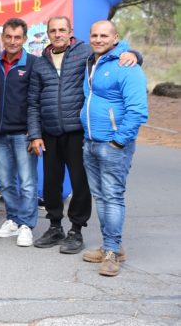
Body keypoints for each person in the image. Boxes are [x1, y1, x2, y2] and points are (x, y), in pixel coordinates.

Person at [27, 16, 140, 254]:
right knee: (51, 182)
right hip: (50, 132)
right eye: (53, 30)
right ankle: (55, 226)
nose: (57, 34)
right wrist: (35, 134)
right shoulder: (40, 62)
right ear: (48, 34)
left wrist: (134, 54)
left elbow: (113, 51)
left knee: (80, 184)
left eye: (62, 30)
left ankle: (76, 230)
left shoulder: (85, 53)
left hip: (78, 131)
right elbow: (33, 102)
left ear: (71, 32)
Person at [80, 20, 147, 277]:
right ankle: (111, 245)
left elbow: (138, 110)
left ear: (115, 38)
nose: (98, 39)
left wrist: (119, 140)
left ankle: (111, 253)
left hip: (113, 145)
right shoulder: (92, 62)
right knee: (101, 197)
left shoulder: (127, 66)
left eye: (104, 35)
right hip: (91, 141)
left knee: (112, 197)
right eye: (94, 35)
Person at [0, 18, 38, 247]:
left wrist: (34, 133)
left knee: (27, 182)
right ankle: (13, 220)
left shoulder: (34, 64)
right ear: (2, 38)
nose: (13, 41)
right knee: (6, 182)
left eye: (17, 37)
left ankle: (26, 225)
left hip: (24, 134)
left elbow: (36, 101)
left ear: (24, 39)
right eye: (8, 36)